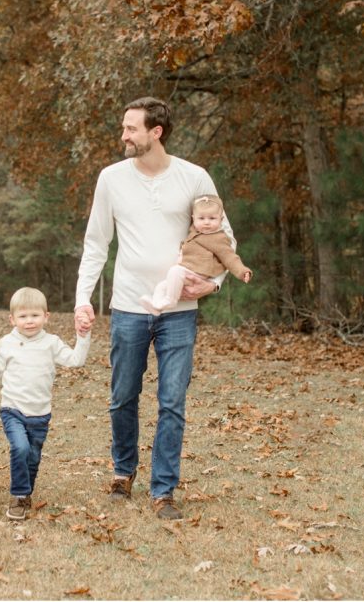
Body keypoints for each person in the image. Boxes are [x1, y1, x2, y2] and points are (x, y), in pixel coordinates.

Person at [74, 96, 240, 521]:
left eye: (131, 128)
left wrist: (214, 283)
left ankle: (163, 491)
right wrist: (82, 299)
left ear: (156, 132)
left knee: (172, 401)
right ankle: (122, 471)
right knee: (122, 396)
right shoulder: (111, 178)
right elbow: (96, 243)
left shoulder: (193, 177)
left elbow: (224, 236)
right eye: (124, 128)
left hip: (180, 309)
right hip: (129, 305)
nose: (124, 136)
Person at [0, 287, 91, 521]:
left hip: (40, 414)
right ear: (12, 319)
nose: (29, 321)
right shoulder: (7, 343)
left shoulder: (51, 343)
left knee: (33, 458)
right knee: (20, 448)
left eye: (35, 315)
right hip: (12, 410)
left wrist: (83, 336)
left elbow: (76, 361)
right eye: (23, 316)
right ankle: (18, 496)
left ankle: (26, 493)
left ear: (46, 316)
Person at [140, 194, 252, 315]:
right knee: (162, 286)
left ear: (221, 219)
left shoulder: (218, 238)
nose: (206, 222)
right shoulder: (195, 231)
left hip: (200, 272)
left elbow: (230, 257)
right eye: (201, 218)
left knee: (175, 271)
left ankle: (170, 301)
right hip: (190, 270)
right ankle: (156, 306)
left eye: (212, 218)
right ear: (194, 219)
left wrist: (242, 271)